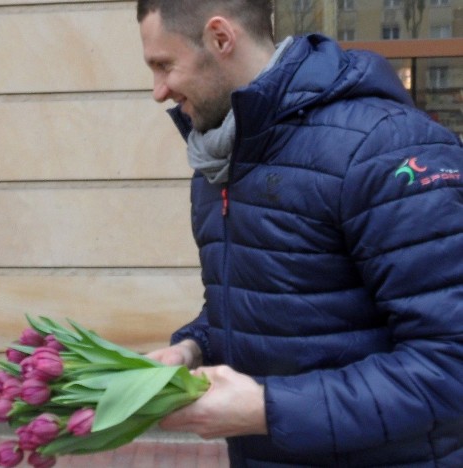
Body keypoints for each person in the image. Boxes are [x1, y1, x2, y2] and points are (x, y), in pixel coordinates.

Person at [136, 1, 463, 466]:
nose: (158, 90)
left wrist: (266, 408)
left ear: (221, 38)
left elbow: (449, 362)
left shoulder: (384, 146)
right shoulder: (222, 153)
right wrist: (194, 347)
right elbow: (264, 295)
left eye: (164, 65)